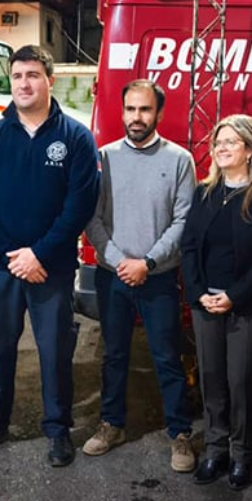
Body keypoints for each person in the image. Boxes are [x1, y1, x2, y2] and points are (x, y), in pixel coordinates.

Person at [0, 44, 99, 467]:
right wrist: (12, 255)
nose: (24, 83)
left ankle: (57, 429)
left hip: (51, 268)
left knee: (55, 352)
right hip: (3, 267)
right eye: (18, 76)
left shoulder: (75, 137)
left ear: (50, 80)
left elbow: (79, 206)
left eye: (33, 75)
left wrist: (39, 254)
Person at [82, 79, 197, 472]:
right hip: (112, 276)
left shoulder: (180, 160)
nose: (136, 117)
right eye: (130, 109)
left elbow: (183, 221)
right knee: (114, 355)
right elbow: (92, 219)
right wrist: (120, 262)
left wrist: (146, 262)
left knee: (167, 356)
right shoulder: (104, 157)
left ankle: (180, 433)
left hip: (159, 277)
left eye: (145, 109)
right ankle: (111, 424)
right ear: (122, 111)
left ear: (159, 113)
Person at [180, 114, 252, 490]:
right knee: (212, 380)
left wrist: (234, 296)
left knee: (241, 382)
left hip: (249, 304)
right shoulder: (205, 191)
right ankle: (216, 450)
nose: (221, 148)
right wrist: (199, 293)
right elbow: (189, 245)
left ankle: (242, 454)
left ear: (250, 149)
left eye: (230, 142)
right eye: (218, 142)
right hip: (206, 303)